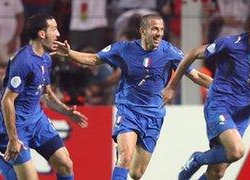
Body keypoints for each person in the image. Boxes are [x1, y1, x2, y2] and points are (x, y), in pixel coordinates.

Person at [54, 14, 213, 180]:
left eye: (161, 29)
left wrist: (223, 88)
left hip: (154, 115)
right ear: (143, 31)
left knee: (136, 173)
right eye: (154, 29)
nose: (159, 33)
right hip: (128, 110)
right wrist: (69, 53)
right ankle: (122, 153)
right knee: (126, 157)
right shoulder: (124, 49)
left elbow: (196, 76)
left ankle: (124, 155)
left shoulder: (170, 52)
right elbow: (94, 59)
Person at [162, 2, 250, 180]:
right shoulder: (231, 44)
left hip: (242, 113)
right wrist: (172, 86)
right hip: (219, 106)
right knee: (237, 151)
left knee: (217, 172)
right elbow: (192, 53)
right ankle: (197, 159)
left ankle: (200, 163)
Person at [0, 14, 88, 180]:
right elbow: (7, 100)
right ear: (42, 34)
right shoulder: (23, 61)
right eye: (54, 29)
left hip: (37, 121)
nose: (58, 33)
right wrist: (13, 139)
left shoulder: (46, 59)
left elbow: (46, 94)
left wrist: (67, 112)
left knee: (65, 164)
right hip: (15, 125)